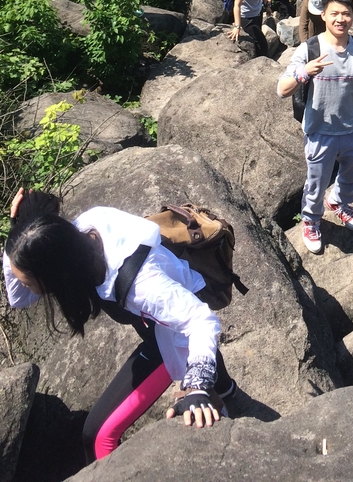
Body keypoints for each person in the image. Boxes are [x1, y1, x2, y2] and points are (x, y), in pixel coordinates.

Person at [3, 187, 234, 464]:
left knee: (98, 436)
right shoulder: (85, 231)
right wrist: (20, 231)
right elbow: (19, 299)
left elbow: (200, 320)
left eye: (30, 280)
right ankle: (225, 391)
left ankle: (214, 391)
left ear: (56, 275)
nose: (27, 287)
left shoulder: (142, 287)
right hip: (168, 307)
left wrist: (195, 386)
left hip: (172, 332)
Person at [277, 0, 353, 254]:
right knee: (316, 182)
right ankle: (311, 220)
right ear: (324, 15)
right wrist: (305, 72)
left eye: (346, 14)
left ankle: (339, 202)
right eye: (335, 13)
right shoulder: (310, 49)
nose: (341, 19)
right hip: (320, 131)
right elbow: (282, 89)